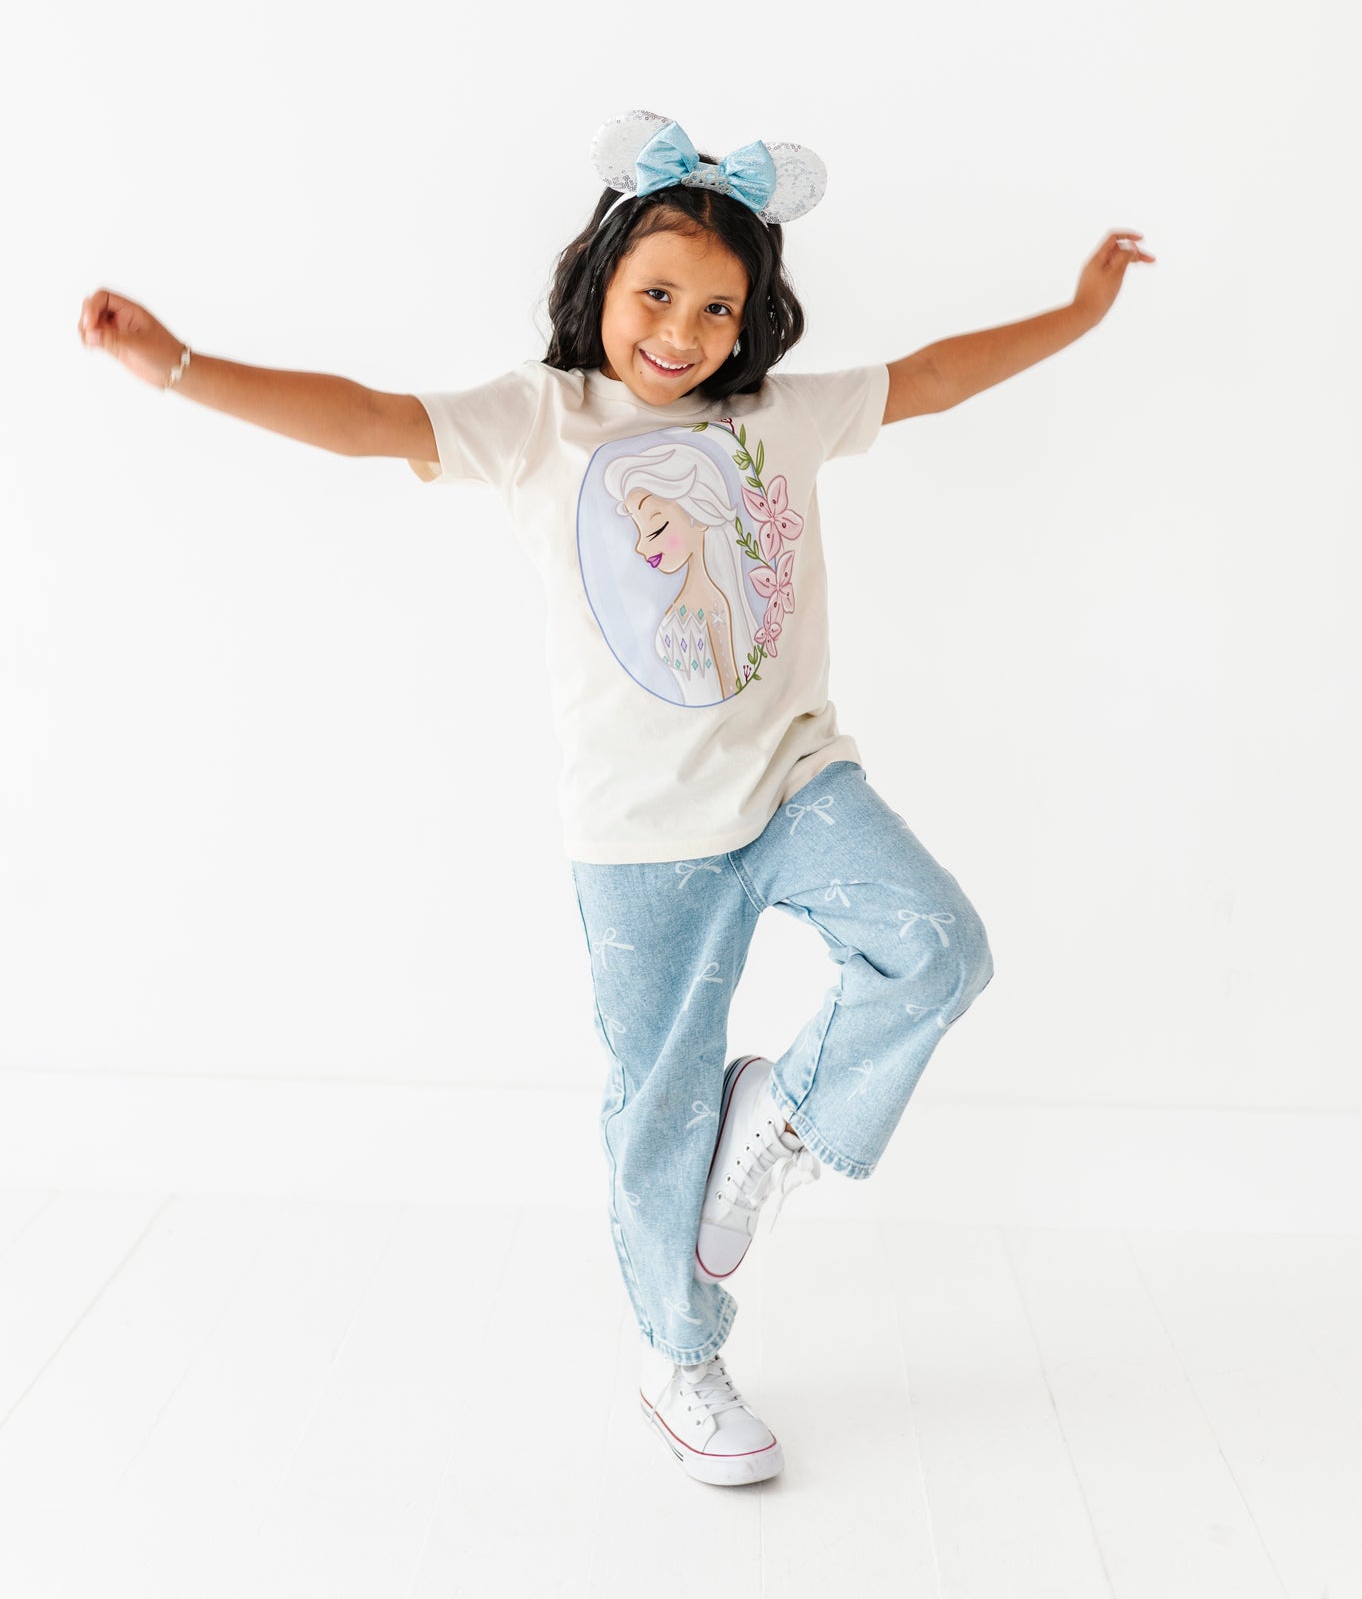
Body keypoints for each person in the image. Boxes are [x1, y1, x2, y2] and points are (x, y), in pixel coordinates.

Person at [77, 107, 1155, 1488]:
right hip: (639, 841)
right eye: (656, 294)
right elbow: (363, 419)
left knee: (938, 947)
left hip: (796, 784)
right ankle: (679, 1356)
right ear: (601, 282)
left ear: (751, 321)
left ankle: (783, 1113)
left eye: (718, 308)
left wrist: (1079, 310)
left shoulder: (777, 417)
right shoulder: (539, 420)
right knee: (658, 1113)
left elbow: (936, 377)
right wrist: (173, 364)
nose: (681, 331)